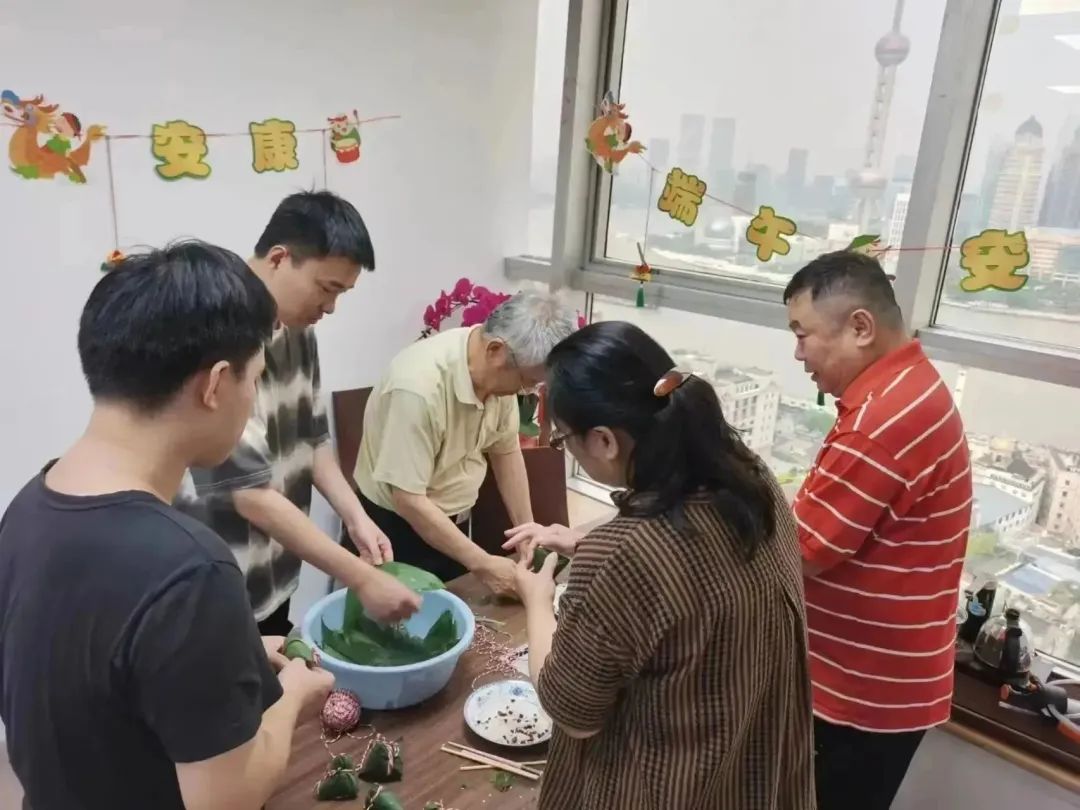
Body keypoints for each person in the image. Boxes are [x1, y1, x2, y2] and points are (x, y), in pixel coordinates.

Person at [0, 242, 334, 810]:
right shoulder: (192, 570)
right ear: (215, 384)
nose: (252, 396)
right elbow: (227, 800)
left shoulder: (29, 505)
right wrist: (293, 695)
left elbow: (94, 671)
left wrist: (232, 651)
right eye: (254, 379)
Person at [510, 321, 815, 810]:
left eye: (562, 438)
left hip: (669, 787)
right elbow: (686, 550)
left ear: (604, 440)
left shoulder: (624, 555)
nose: (564, 448)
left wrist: (537, 600)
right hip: (752, 771)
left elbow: (571, 712)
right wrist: (582, 540)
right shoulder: (752, 480)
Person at [177, 190, 420, 635]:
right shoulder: (215, 332)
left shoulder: (297, 327)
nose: (330, 307)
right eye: (327, 289)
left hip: (279, 569)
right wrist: (360, 577)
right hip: (220, 579)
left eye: (341, 293)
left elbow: (313, 439)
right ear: (279, 258)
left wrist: (356, 518)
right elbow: (248, 493)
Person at [784, 251, 972, 810]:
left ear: (860, 327)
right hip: (882, 681)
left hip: (859, 693)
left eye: (802, 334)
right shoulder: (909, 386)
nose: (798, 353)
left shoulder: (880, 423)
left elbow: (801, 552)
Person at [350, 290, 575, 595]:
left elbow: (506, 451)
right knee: (402, 616)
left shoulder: (497, 373)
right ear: (496, 351)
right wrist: (482, 563)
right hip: (394, 530)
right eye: (529, 382)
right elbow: (409, 500)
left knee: (459, 608)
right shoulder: (417, 389)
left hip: (452, 524)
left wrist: (527, 533)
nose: (529, 391)